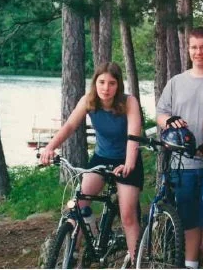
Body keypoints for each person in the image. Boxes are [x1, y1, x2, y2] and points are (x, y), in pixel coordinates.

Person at [40, 62, 143, 263]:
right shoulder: (89, 101)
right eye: (101, 82)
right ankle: (73, 253)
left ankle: (137, 260)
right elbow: (70, 126)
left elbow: (133, 136)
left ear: (118, 85)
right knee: (78, 204)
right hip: (101, 158)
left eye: (112, 83)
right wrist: (50, 147)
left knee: (128, 215)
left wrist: (129, 163)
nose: (106, 88)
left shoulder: (129, 102)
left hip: (127, 159)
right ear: (95, 83)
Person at [156, 26, 203, 269]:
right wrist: (169, 122)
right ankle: (190, 263)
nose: (199, 52)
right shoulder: (176, 82)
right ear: (188, 49)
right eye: (194, 47)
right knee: (188, 219)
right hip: (181, 164)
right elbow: (161, 113)